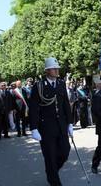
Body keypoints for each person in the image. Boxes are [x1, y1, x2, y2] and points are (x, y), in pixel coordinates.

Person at [29, 57, 73, 186]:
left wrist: (70, 123)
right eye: (54, 68)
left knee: (65, 152)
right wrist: (34, 128)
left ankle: (52, 171)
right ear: (47, 70)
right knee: (50, 157)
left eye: (57, 68)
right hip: (46, 127)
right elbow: (33, 108)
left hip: (61, 126)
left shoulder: (60, 84)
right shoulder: (39, 85)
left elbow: (65, 105)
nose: (56, 70)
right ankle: (54, 180)